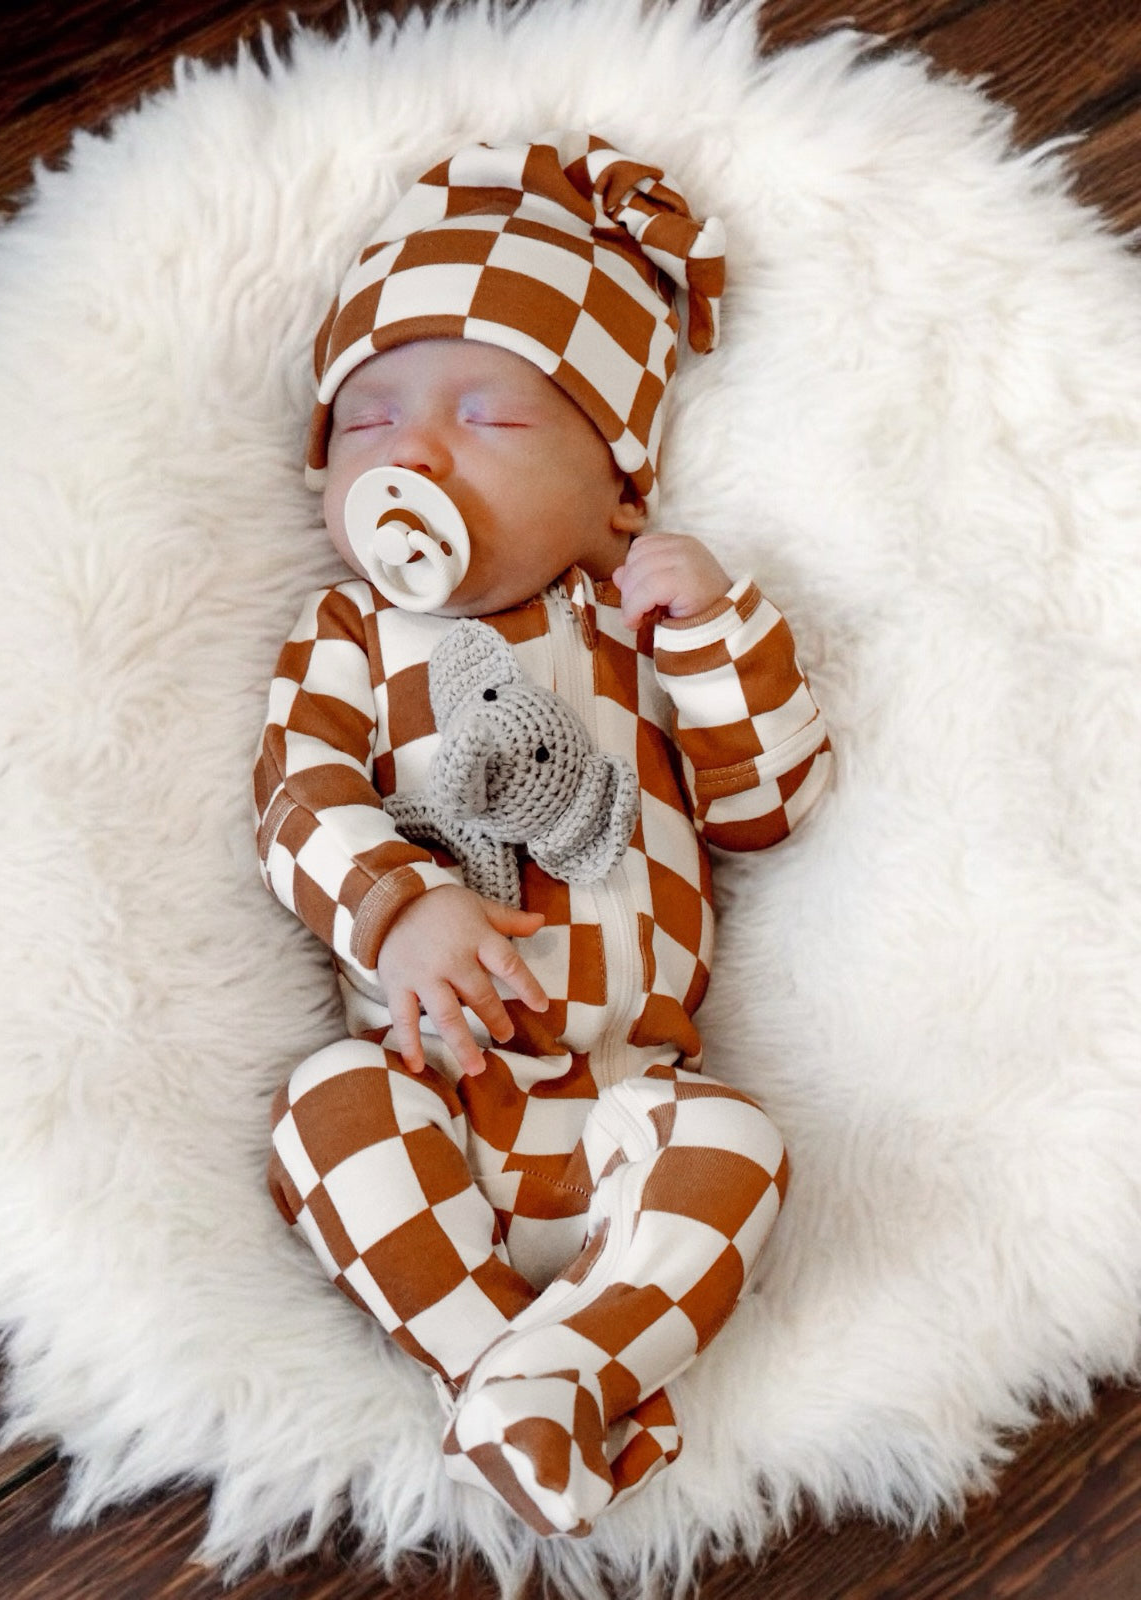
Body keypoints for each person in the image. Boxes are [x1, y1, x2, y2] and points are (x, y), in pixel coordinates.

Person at [254, 132, 831, 1538]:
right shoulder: (350, 633)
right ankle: (508, 1370)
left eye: (490, 419)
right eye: (369, 421)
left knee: (741, 1150)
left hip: (631, 1096)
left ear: (618, 488)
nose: (417, 452)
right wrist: (399, 909)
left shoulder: (636, 620)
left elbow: (765, 804)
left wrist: (712, 635)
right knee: (325, 1115)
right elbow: (297, 799)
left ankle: (557, 1365)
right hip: (433, 1090)